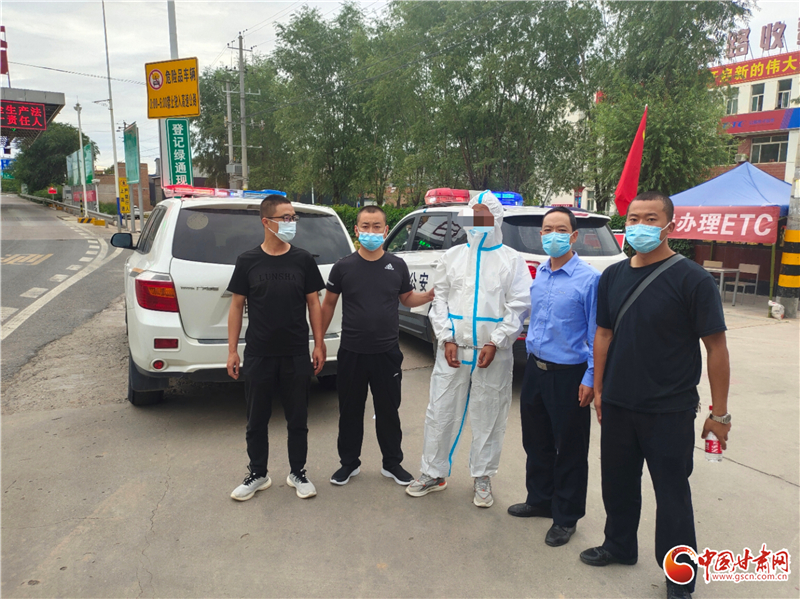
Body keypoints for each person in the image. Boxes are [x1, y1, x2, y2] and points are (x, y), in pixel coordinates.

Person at [579, 191, 732, 599]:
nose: (640, 227)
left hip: (669, 409)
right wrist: (599, 387)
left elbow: (716, 347)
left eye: (650, 219)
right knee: (617, 483)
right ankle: (619, 545)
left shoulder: (693, 279)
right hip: (618, 403)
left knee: (672, 495)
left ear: (670, 226)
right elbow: (604, 334)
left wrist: (720, 413)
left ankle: (679, 578)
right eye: (633, 219)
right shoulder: (612, 276)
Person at [406, 191, 531, 507]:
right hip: (454, 349)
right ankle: (433, 473)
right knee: (441, 409)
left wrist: (497, 340)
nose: (478, 222)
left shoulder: (511, 260)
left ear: (496, 219)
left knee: (490, 413)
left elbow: (518, 306)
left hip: (492, 352)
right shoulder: (453, 256)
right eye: (474, 215)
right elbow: (440, 299)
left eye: (484, 216)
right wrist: (446, 337)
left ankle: (483, 476)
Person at [320, 206, 434, 486]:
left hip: (387, 353)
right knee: (350, 411)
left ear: (385, 231)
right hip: (352, 351)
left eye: (377, 226)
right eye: (365, 226)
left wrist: (429, 295)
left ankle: (392, 463)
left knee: (388, 411)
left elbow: (406, 298)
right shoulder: (343, 266)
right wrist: (319, 341)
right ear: (356, 230)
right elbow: (328, 304)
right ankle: (349, 463)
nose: (371, 232)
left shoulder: (397, 265)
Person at [507, 207, 600, 547]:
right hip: (536, 368)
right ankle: (540, 499)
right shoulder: (540, 274)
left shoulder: (589, 279)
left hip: (569, 374)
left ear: (573, 236)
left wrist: (590, 377)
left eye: (561, 230)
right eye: (547, 229)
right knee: (536, 440)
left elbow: (597, 334)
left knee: (570, 448)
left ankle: (566, 516)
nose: (552, 235)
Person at [227, 195, 326, 502]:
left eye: (293, 217)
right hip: (259, 353)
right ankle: (258, 474)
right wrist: (232, 350)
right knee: (256, 419)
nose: (291, 223)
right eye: (285, 218)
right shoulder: (247, 261)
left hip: (296, 352)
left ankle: (298, 472)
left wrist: (319, 343)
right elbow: (236, 306)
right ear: (266, 222)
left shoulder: (303, 260)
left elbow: (314, 303)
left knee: (298, 419)